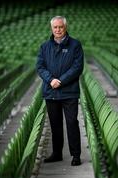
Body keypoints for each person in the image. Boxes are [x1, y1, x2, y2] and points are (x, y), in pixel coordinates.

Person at [36, 16, 84, 166]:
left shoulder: (75, 45)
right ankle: (57, 153)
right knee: (55, 124)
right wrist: (51, 80)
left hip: (69, 91)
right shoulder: (44, 47)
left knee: (71, 123)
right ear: (51, 29)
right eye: (55, 27)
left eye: (60, 27)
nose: (58, 30)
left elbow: (77, 67)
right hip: (51, 91)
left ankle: (76, 155)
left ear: (65, 27)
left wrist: (61, 80)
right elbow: (40, 67)